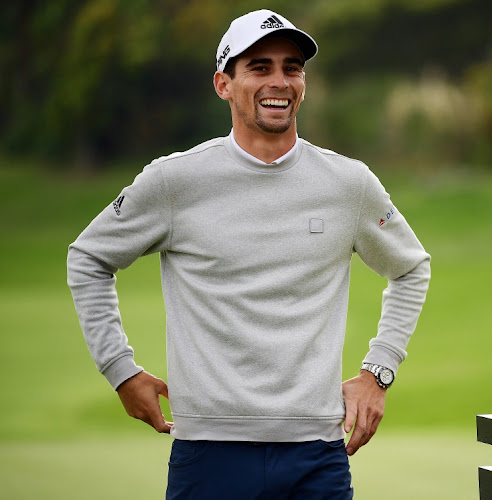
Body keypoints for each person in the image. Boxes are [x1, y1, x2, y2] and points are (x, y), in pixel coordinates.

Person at [67, 9, 430, 499]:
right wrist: (120, 369)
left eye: (291, 67)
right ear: (223, 83)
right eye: (259, 67)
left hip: (317, 454)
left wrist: (378, 372)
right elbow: (88, 258)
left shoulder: (349, 184)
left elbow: (410, 267)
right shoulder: (175, 181)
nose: (279, 81)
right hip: (207, 453)